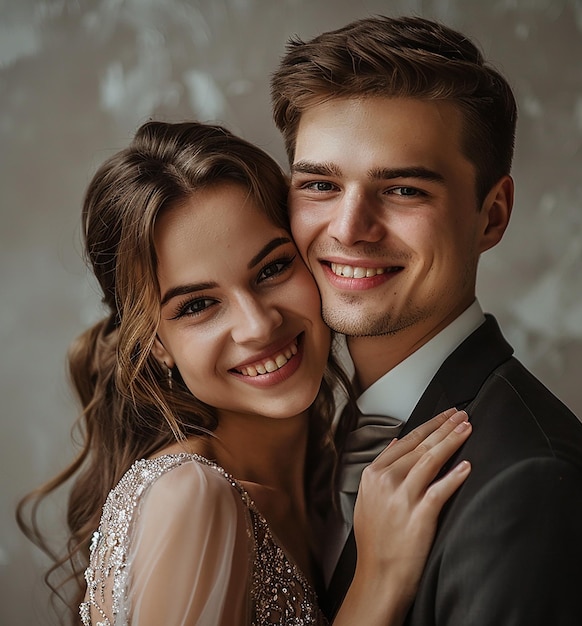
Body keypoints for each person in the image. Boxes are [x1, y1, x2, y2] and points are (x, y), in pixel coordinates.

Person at [17, 120, 474, 626]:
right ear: (156, 346)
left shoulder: (334, 478)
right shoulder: (191, 498)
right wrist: (379, 582)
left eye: (272, 269)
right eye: (198, 306)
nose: (258, 326)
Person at [270, 14, 582, 625]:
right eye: (321, 185)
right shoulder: (311, 440)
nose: (350, 229)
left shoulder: (531, 491)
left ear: (492, 216)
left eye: (404, 190)